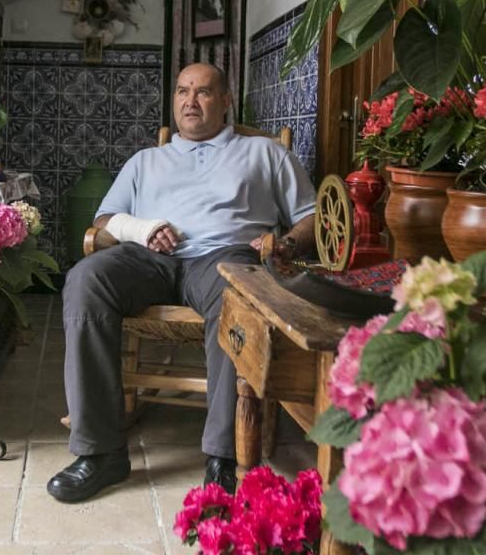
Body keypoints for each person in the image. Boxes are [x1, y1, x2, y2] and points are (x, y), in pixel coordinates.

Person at [47, 62, 316, 503]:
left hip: (224, 258)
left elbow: (309, 218)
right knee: (85, 280)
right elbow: (104, 223)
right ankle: (100, 453)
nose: (190, 101)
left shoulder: (264, 154)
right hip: (149, 258)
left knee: (237, 295)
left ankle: (222, 458)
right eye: (182, 91)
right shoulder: (146, 161)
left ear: (226, 100)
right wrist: (142, 229)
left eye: (204, 92)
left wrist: (283, 244)